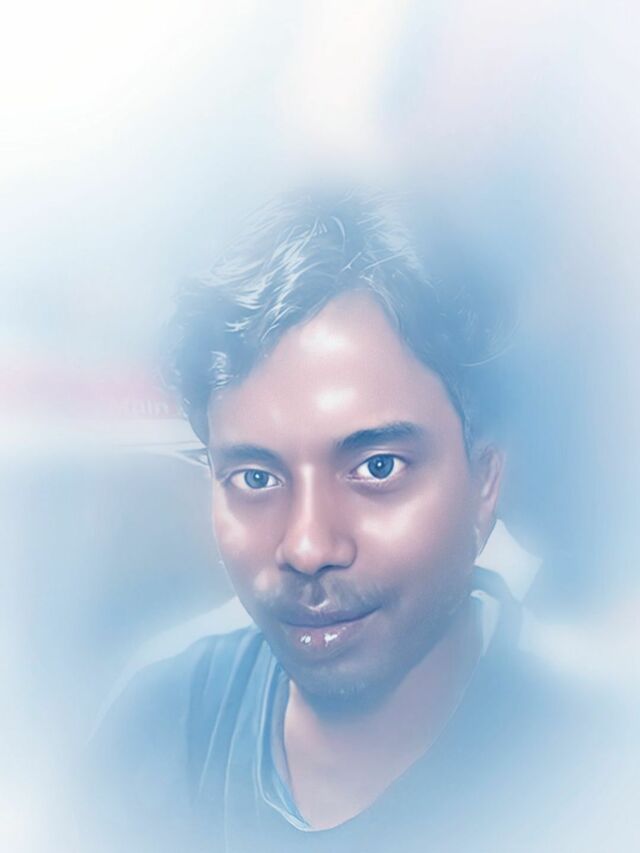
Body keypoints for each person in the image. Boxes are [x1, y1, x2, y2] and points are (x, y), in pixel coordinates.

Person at [85, 190, 595, 853]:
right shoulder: (156, 729)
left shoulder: (592, 769)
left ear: (485, 482)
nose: (306, 546)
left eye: (377, 467)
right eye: (256, 478)